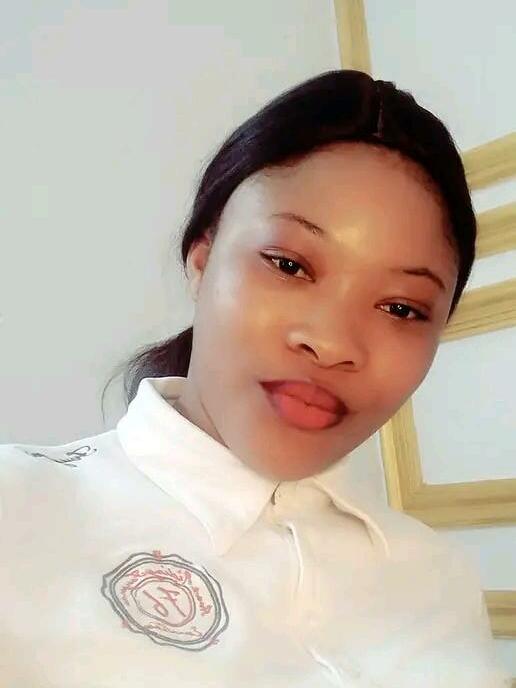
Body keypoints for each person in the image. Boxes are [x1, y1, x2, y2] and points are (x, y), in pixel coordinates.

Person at [0, 69, 511, 687]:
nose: (331, 343)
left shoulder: (439, 577)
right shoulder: (18, 510)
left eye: (401, 308)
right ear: (202, 258)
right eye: (289, 265)